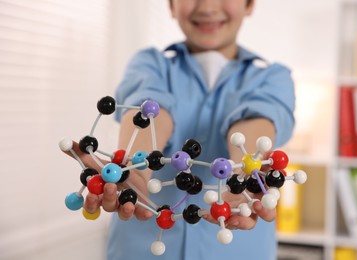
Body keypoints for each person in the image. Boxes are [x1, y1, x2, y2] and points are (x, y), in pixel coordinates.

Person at [69, 0, 295, 259]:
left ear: (249, 4)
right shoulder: (149, 64)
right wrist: (136, 167)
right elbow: (151, 110)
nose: (208, 6)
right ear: (171, 5)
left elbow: (257, 119)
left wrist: (246, 170)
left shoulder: (273, 78)